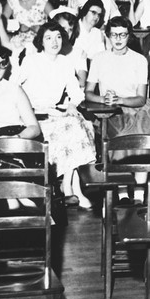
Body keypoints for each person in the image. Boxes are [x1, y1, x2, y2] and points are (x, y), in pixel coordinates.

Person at [17, 22, 97, 208]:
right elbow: (15, 88)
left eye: (58, 37)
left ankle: (70, 186)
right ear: (41, 42)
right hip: (34, 116)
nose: (54, 42)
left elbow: (76, 92)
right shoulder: (31, 60)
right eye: (49, 38)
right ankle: (72, 189)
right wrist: (31, 110)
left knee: (82, 124)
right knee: (72, 128)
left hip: (55, 113)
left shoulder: (65, 62)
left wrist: (71, 104)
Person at [85, 16, 150, 139]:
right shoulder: (98, 58)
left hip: (139, 111)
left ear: (129, 36)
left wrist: (119, 100)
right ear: (108, 35)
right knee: (120, 136)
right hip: (110, 112)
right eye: (114, 34)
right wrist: (103, 99)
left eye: (122, 35)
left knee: (141, 137)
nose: (118, 39)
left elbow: (141, 99)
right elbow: (88, 93)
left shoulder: (140, 60)